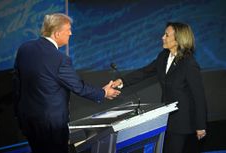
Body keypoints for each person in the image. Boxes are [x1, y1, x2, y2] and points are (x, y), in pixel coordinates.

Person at [13, 13, 121, 153]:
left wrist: (19, 114)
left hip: (28, 121)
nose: (71, 33)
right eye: (68, 29)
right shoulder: (60, 59)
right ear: (57, 33)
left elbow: (17, 85)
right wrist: (104, 92)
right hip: (52, 126)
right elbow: (78, 87)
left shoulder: (25, 49)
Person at [112, 22, 207, 153]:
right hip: (166, 119)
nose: (163, 37)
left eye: (167, 35)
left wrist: (201, 125)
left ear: (178, 39)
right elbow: (145, 72)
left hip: (182, 122)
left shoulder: (189, 63)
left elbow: (199, 96)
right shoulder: (163, 56)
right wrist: (121, 81)